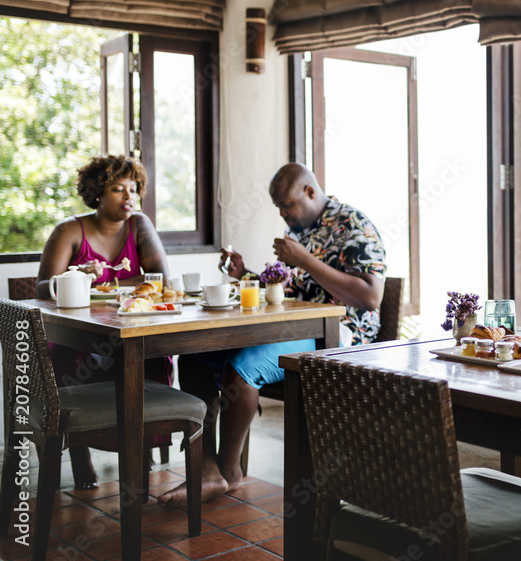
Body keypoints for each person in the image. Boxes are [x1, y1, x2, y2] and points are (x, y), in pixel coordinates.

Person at [158, 163, 386, 507]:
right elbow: (288, 291)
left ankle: (229, 472)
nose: (282, 213)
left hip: (338, 336)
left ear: (310, 192)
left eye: (287, 205)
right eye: (277, 207)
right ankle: (206, 469)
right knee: (194, 356)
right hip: (291, 327)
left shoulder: (355, 226)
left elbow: (370, 297)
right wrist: (246, 273)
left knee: (243, 367)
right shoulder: (299, 231)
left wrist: (305, 260)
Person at [35, 154, 171, 490]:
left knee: (154, 358)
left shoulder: (139, 225)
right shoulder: (70, 230)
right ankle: (79, 448)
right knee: (65, 358)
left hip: (129, 330)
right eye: (117, 189)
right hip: (79, 334)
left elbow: (162, 280)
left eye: (133, 189)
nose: (129, 197)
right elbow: (41, 287)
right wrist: (77, 275)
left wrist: (113, 286)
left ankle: (139, 446)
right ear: (97, 192)